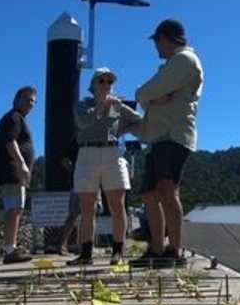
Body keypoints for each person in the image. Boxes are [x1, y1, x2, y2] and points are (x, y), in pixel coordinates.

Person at [133, 19, 203, 269]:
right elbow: (149, 95)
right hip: (160, 136)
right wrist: (152, 98)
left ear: (164, 38)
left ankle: (174, 250)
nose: (156, 46)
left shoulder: (184, 60)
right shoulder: (175, 63)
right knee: (150, 193)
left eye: (156, 40)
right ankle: (157, 248)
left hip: (173, 134)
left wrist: (149, 97)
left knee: (167, 190)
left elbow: (147, 91)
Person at [66, 68, 141, 267]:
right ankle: (86, 253)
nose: (106, 85)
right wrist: (102, 105)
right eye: (102, 81)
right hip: (87, 153)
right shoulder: (83, 105)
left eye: (109, 82)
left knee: (117, 205)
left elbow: (138, 122)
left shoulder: (116, 107)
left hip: (111, 153)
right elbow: (85, 123)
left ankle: (117, 252)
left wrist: (122, 130)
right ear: (93, 86)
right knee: (87, 207)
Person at [0, 86, 37, 264]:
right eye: (26, 99)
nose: (30, 104)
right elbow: (10, 141)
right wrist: (22, 163)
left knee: (17, 209)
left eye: (33, 101)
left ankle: (12, 248)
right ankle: (10, 251)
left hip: (15, 173)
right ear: (16, 100)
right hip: (11, 172)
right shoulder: (13, 118)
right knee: (14, 209)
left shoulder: (18, 118)